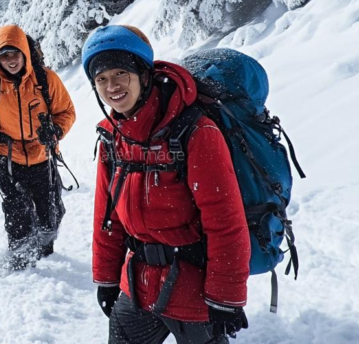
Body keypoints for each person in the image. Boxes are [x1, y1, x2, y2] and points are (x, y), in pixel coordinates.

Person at [83, 25, 250, 343]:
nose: (112, 86)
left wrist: (225, 298)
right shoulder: (111, 137)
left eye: (120, 73)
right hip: (135, 286)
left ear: (144, 74)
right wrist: (106, 277)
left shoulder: (195, 132)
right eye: (101, 79)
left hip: (193, 291)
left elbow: (225, 221)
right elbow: (107, 215)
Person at [0, 24, 76, 271]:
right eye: (4, 56)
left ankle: (45, 252)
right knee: (17, 215)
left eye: (15, 53)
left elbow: (67, 112)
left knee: (50, 215)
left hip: (43, 158)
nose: (11, 60)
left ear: (25, 53)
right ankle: (21, 263)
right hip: (8, 161)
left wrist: (56, 130)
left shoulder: (46, 79)